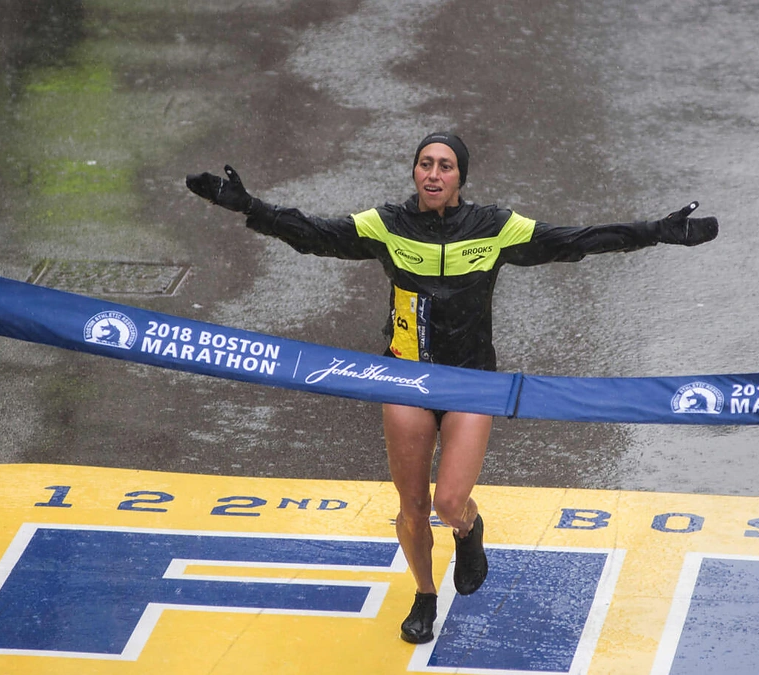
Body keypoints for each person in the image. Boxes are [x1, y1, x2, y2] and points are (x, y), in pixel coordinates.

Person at [186, 132, 718, 644]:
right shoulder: (387, 224)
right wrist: (247, 205)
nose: (433, 174)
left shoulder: (493, 226)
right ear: (414, 172)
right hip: (404, 377)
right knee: (412, 504)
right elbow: (315, 235)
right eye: (425, 164)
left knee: (449, 501)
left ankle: (469, 530)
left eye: (445, 166)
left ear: (461, 177)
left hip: (470, 383)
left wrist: (655, 231)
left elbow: (573, 241)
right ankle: (423, 594)